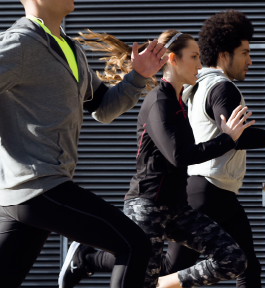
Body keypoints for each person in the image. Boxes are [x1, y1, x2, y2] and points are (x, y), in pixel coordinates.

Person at [60, 30, 254, 288]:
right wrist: (227, 139)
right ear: (173, 59)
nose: (199, 64)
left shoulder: (180, 102)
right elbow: (178, 155)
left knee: (233, 260)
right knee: (140, 280)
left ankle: (161, 283)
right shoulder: (159, 101)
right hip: (147, 206)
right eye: (194, 57)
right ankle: (88, 259)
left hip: (178, 208)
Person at [0, 0, 167, 287]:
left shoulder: (69, 48)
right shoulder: (20, 43)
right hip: (39, 186)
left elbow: (103, 108)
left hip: (31, 194)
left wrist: (138, 76)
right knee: (134, 244)